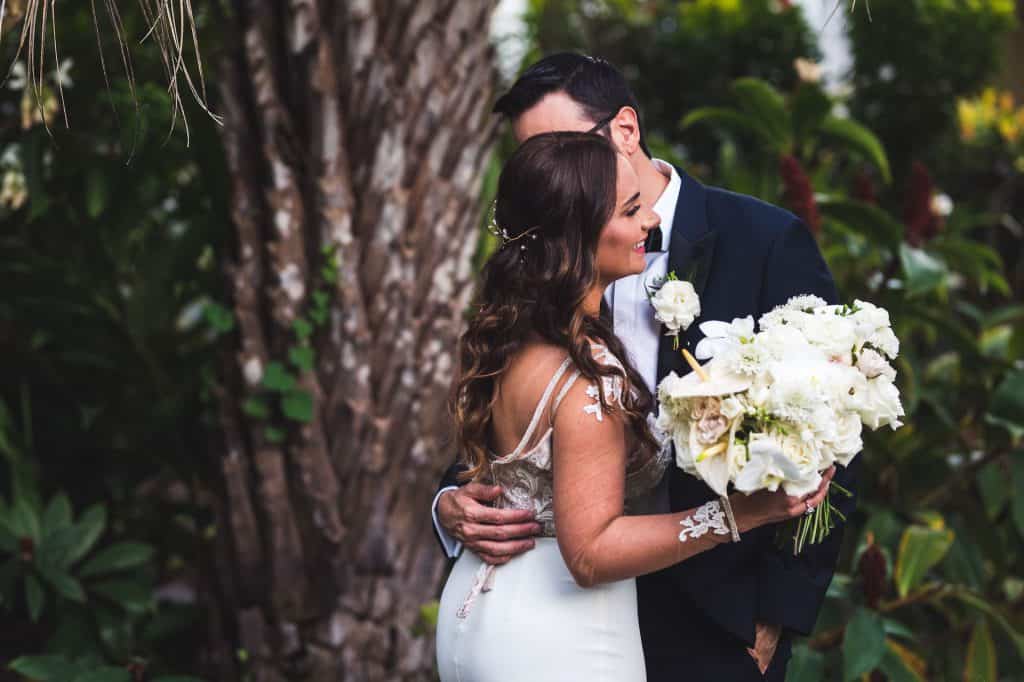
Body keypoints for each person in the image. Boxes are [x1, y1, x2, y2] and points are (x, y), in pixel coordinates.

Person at [432, 53, 860, 681]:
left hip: (712, 616)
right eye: (537, 158)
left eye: (569, 148)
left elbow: (835, 423)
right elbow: (509, 430)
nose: (553, 175)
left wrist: (777, 613)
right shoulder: (541, 278)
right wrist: (449, 502)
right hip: (562, 605)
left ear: (625, 129)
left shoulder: (764, 241)